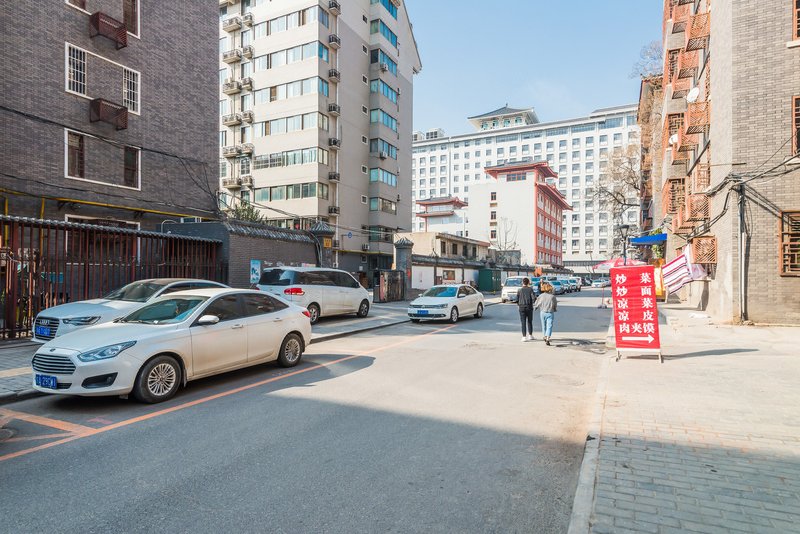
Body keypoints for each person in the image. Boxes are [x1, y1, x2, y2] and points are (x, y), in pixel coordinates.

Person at [517, 277, 535, 342]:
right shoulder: (530, 289)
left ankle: (524, 337)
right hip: (529, 307)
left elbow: (517, 299)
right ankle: (530, 335)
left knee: (523, 322)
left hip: (521, 307)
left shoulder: (519, 290)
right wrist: (532, 303)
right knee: (529, 321)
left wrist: (518, 305)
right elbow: (533, 298)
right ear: (528, 283)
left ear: (522, 282)